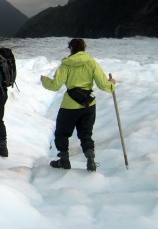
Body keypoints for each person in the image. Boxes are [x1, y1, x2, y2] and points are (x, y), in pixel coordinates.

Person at [41, 38, 116, 171]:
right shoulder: (91, 62)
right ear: (84, 48)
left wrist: (44, 80)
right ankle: (90, 159)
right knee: (86, 133)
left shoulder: (66, 64)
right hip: (89, 104)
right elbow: (103, 84)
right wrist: (111, 85)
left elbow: (55, 85)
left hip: (69, 106)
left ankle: (64, 161)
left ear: (71, 48)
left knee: (62, 133)